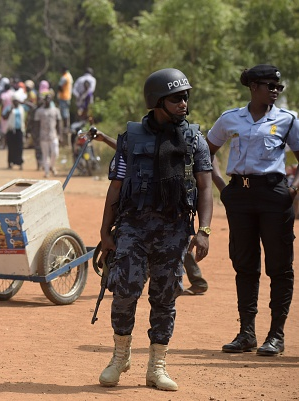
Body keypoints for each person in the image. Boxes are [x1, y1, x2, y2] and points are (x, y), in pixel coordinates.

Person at [98, 68, 213, 391]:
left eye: (186, 96)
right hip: (133, 226)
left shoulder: (193, 139)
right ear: (157, 101)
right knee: (124, 291)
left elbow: (205, 188)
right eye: (177, 97)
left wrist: (203, 230)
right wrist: (105, 232)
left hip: (174, 228)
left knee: (165, 296)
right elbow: (116, 186)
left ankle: (156, 366)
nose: (184, 103)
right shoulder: (131, 138)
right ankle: (120, 357)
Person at [207, 64, 298, 356]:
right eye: (268, 85)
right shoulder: (230, 118)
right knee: (244, 265)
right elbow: (206, 153)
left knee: (279, 267)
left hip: (275, 196)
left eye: (277, 86)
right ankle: (246, 333)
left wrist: (294, 194)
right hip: (240, 198)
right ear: (252, 87)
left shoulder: (288, 120)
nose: (274, 90)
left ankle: (276, 334)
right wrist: (224, 189)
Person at [93, 125, 210, 296]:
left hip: (172, 210)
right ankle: (192, 280)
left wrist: (204, 230)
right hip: (151, 209)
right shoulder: (137, 138)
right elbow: (128, 151)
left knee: (175, 244)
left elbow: (204, 184)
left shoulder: (189, 141)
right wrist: (104, 138)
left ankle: (190, 280)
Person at [34, 93, 61, 178]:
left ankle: (51, 166)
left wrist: (60, 135)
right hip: (43, 136)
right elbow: (36, 125)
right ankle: (46, 172)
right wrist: (36, 136)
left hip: (53, 135)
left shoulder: (55, 110)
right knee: (45, 155)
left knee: (55, 152)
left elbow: (59, 123)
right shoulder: (39, 111)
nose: (48, 101)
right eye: (46, 99)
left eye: (49, 99)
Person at [2, 92, 26, 170]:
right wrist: (10, 111)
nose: (15, 102)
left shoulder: (21, 108)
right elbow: (4, 117)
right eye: (14, 100)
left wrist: (24, 102)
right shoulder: (9, 108)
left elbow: (33, 107)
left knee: (19, 147)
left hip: (19, 130)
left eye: (17, 101)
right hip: (11, 130)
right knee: (11, 147)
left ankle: (20, 163)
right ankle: (10, 162)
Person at [56, 66, 73, 145]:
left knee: (64, 113)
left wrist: (60, 92)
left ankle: (65, 127)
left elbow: (59, 86)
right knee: (66, 113)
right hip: (68, 96)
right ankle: (67, 127)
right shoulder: (69, 76)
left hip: (63, 97)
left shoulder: (64, 77)